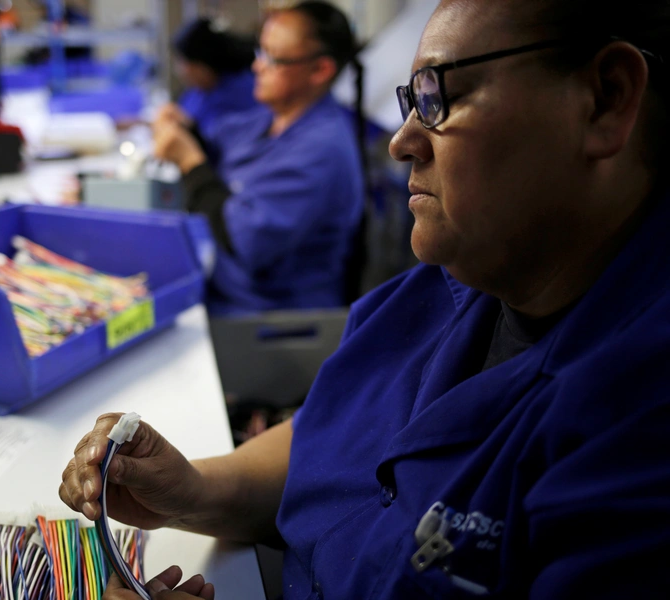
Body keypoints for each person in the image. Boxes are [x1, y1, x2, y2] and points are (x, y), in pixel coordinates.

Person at [61, 0, 670, 597]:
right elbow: (331, 436)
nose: (402, 141)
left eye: (437, 97)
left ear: (606, 99)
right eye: (411, 102)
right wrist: (194, 491)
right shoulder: (445, 289)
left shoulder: (637, 429)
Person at [153, 2, 366, 315]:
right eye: (259, 52)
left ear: (320, 70)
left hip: (266, 318)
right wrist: (186, 129)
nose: (257, 67)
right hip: (222, 288)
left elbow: (246, 240)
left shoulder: (322, 150)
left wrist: (189, 161)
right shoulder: (271, 117)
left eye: (272, 58)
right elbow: (220, 143)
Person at [172, 18, 259, 140]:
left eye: (183, 62)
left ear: (202, 65)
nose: (179, 70)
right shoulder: (200, 90)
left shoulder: (242, 93)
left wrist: (189, 129)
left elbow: (219, 144)